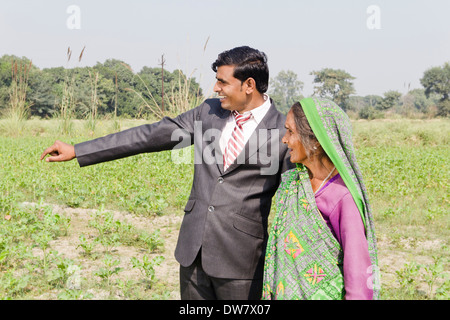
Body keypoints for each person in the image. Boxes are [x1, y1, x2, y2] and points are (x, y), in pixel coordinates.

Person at [40, 46, 294, 300]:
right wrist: (79, 150)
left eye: (222, 82)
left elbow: (296, 204)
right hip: (193, 255)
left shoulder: (283, 134)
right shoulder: (208, 113)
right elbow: (149, 136)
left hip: (242, 262)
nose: (215, 88)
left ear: (249, 85)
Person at [262, 97, 379, 300]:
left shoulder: (341, 196)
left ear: (315, 140)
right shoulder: (294, 182)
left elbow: (358, 274)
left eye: (291, 132)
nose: (284, 139)